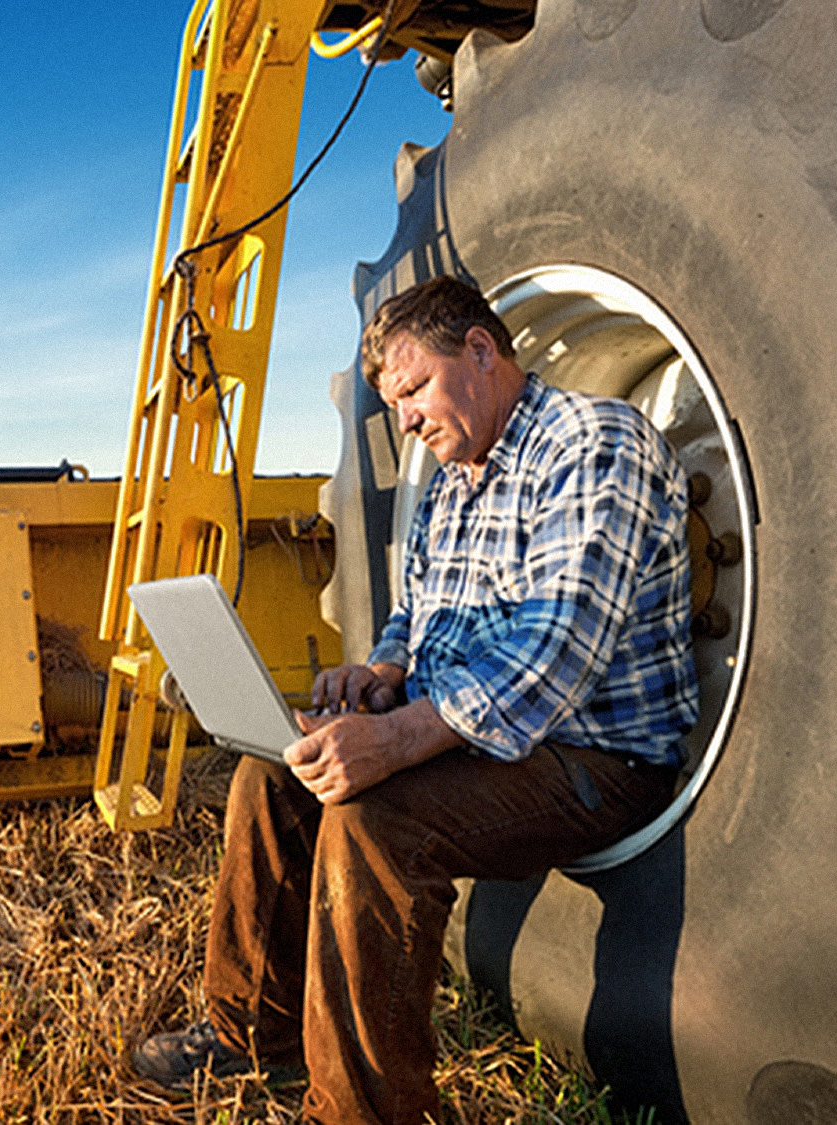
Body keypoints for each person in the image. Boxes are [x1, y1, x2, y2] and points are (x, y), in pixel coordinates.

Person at [131, 275, 700, 1124]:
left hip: (594, 758)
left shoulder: (593, 444)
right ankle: (252, 1032)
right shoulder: (453, 480)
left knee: (372, 821)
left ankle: (364, 1111)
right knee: (272, 780)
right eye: (393, 401)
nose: (404, 419)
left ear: (479, 350)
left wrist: (393, 740)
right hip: (488, 745)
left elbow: (551, 659)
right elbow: (419, 609)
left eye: (412, 389)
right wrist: (383, 674)